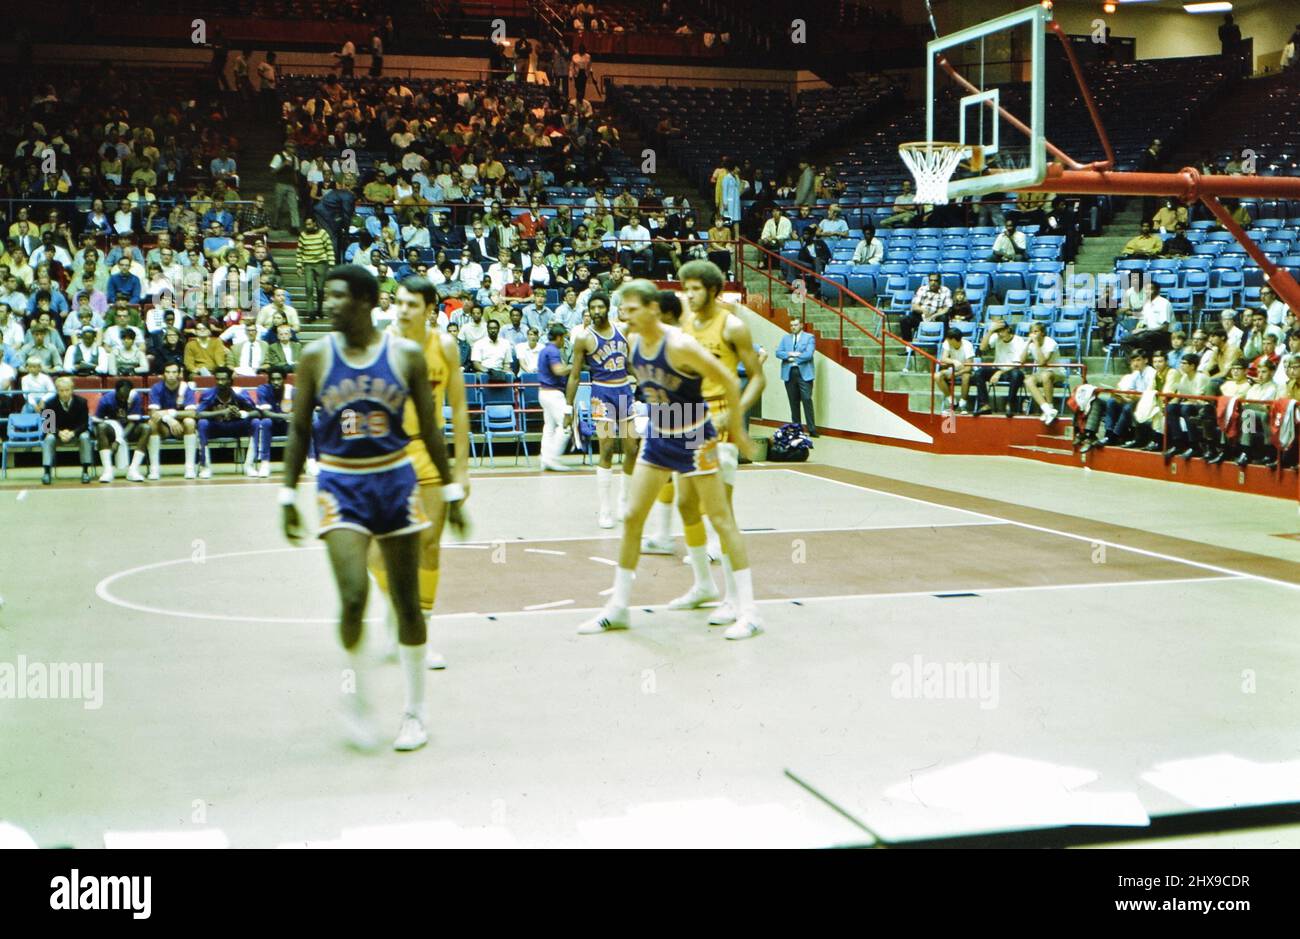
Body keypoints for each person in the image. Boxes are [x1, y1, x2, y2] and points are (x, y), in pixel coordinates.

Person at [279, 264, 466, 752]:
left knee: (407, 601)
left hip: (395, 478)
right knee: (354, 596)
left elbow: (430, 428)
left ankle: (414, 714)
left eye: (339, 297)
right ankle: (358, 702)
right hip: (340, 483)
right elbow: (299, 428)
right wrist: (286, 493)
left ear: (363, 300)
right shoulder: (316, 356)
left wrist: (451, 491)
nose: (329, 305)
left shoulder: (404, 356)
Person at [577, 280, 760, 640]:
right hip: (660, 434)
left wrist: (736, 429)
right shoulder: (630, 343)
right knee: (631, 517)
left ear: (652, 310)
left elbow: (728, 379)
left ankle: (750, 612)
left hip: (694, 434)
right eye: (622, 309)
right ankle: (618, 608)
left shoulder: (680, 344)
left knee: (722, 521)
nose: (623, 315)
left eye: (630, 308)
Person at [367, 276, 472, 671]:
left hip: (429, 453)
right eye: (399, 302)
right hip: (386, 453)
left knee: (429, 545)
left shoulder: (443, 346)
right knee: (375, 549)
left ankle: (419, 634)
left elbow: (459, 409)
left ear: (431, 309)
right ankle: (398, 608)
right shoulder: (379, 343)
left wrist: (462, 470)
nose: (403, 309)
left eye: (412, 304)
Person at [668, 260, 765, 627]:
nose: (688, 295)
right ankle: (704, 585)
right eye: (685, 288)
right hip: (686, 419)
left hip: (720, 422)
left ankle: (741, 603)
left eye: (694, 288)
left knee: (722, 514)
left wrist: (736, 412)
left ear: (711, 290)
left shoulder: (734, 326)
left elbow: (757, 377)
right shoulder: (684, 325)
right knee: (687, 504)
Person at [564, 291, 640, 527]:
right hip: (601, 393)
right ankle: (605, 508)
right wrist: (568, 408)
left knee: (632, 447)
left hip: (624, 391)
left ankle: (624, 499)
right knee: (606, 448)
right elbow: (575, 375)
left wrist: (647, 384)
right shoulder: (584, 338)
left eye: (600, 307)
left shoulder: (623, 330)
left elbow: (628, 364)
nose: (596, 312)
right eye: (592, 308)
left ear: (608, 308)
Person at [195, 365, 260, 478]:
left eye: (223, 379)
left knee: (255, 422)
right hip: (216, 427)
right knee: (202, 423)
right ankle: (205, 466)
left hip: (236, 426)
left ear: (230, 380)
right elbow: (198, 414)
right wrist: (221, 412)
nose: (220, 382)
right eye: (218, 379)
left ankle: (249, 465)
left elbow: (257, 412)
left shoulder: (240, 392)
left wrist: (242, 414)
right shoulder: (208, 393)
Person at [147, 362, 200, 479]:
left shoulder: (185, 387)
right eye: (168, 372)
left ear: (179, 373)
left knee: (190, 422)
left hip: (181, 428)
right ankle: (154, 469)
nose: (171, 375)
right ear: (163, 374)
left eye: (174, 372)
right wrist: (169, 419)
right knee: (151, 423)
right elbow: (153, 413)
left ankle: (190, 468)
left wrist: (170, 413)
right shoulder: (157, 388)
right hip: (164, 427)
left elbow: (192, 413)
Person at [40, 376, 94, 485]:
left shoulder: (82, 402)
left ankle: (85, 472)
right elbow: (47, 425)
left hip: (76, 434)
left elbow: (84, 424)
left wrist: (73, 433)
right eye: (61, 391)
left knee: (85, 436)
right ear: (57, 391)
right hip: (57, 434)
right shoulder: (49, 403)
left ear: (72, 390)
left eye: (67, 390)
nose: (64, 393)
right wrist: (59, 433)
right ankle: (46, 472)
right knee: (48, 438)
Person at [94, 378, 149, 483]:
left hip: (130, 429)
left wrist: (118, 441)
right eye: (121, 396)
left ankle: (133, 470)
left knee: (146, 428)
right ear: (116, 391)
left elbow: (133, 422)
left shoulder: (135, 397)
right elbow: (97, 422)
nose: (124, 399)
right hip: (112, 430)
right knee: (101, 428)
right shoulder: (106, 400)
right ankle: (107, 470)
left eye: (127, 395)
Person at [536, 322, 573, 471]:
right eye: (563, 338)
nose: (564, 341)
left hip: (543, 393)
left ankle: (545, 457)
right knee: (565, 427)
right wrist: (572, 367)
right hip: (553, 393)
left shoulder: (544, 350)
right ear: (558, 337)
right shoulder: (553, 351)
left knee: (549, 427)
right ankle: (553, 458)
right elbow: (558, 370)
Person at [775, 317, 816, 435]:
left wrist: (792, 358)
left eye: (796, 325)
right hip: (789, 373)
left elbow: (808, 354)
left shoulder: (809, 337)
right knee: (793, 401)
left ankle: (812, 429)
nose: (793, 327)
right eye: (791, 325)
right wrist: (791, 354)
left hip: (804, 373)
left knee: (807, 400)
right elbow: (778, 352)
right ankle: (797, 429)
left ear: (801, 325)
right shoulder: (785, 338)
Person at [935, 327, 975, 414]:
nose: (946, 340)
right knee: (937, 376)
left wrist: (955, 374)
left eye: (948, 339)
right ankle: (952, 402)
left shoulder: (968, 345)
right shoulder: (947, 343)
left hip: (965, 370)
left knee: (966, 376)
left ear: (953, 339)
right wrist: (953, 361)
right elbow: (943, 358)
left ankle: (962, 404)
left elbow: (968, 368)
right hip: (953, 369)